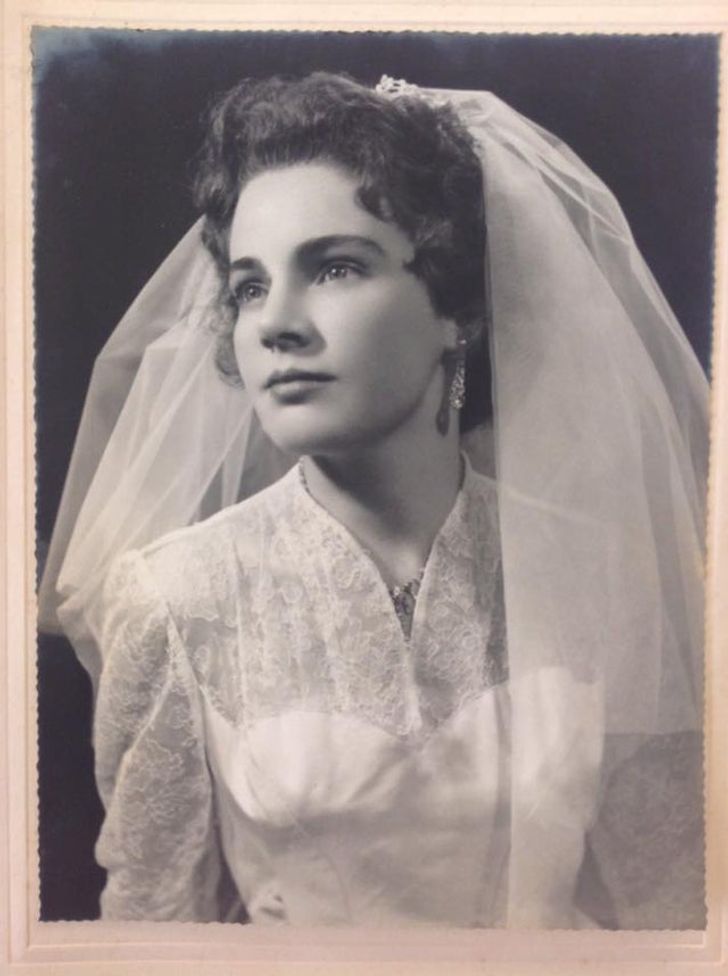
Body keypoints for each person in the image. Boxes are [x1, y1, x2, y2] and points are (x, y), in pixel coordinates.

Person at [37, 72, 709, 928]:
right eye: (249, 287)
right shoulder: (176, 599)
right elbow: (150, 925)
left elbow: (674, 906)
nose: (276, 323)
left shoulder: (603, 575)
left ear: (455, 309)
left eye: (335, 268)